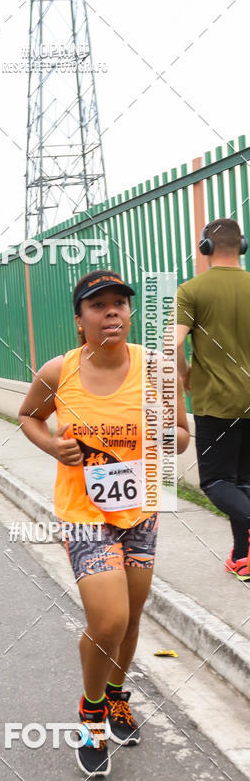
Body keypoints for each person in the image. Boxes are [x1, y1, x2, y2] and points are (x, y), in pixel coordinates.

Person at [18, 269, 190, 777]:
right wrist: (53, 445)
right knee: (109, 620)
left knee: (133, 617)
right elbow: (29, 415)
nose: (111, 311)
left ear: (130, 312)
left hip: (140, 512)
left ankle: (116, 695)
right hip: (85, 513)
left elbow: (181, 434)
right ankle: (91, 711)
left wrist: (167, 440)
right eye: (98, 305)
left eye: (120, 303)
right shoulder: (59, 372)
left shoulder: (157, 370)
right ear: (80, 321)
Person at [176, 218, 250, 579]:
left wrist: (185, 372)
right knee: (244, 483)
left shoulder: (192, 290)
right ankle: (242, 557)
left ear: (206, 247)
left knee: (217, 482)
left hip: (216, 405)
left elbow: (172, 342)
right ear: (243, 245)